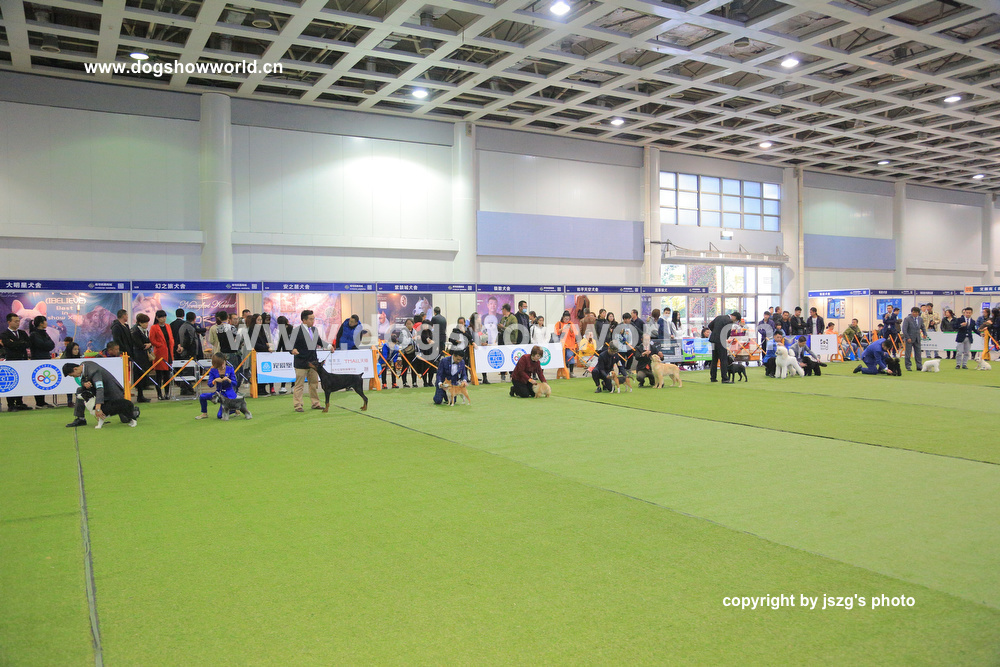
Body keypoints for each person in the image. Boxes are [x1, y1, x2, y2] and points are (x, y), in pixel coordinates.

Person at [63, 360, 138, 428]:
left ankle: (134, 410)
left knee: (125, 418)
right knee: (80, 390)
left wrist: (98, 408)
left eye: (72, 375)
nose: (74, 377)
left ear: (75, 369)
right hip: (98, 390)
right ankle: (80, 418)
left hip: (112, 392)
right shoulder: (83, 365)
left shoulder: (94, 371)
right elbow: (83, 380)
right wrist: (84, 383)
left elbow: (100, 389)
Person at [290, 309, 328, 412]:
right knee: (299, 385)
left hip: (313, 362)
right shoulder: (296, 331)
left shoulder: (314, 330)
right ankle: (298, 405)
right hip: (301, 362)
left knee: (314, 384)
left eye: (313, 319)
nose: (313, 321)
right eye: (311, 319)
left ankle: (315, 403)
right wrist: (292, 350)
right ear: (304, 320)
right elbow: (289, 344)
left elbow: (319, 341)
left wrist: (329, 346)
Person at [194, 353, 248, 420]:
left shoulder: (230, 369)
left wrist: (229, 380)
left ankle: (234, 409)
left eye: (223, 363)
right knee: (202, 396)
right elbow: (210, 384)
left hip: (228, 394)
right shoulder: (213, 370)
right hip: (218, 393)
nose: (222, 366)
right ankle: (204, 413)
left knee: (219, 416)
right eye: (220, 364)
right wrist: (215, 380)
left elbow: (235, 383)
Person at [2, 313, 32, 412]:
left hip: (22, 360)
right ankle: (11, 404)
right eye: (15, 321)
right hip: (12, 361)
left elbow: (28, 343)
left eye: (18, 321)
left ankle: (19, 402)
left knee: (22, 382)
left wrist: (16, 343)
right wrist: (20, 343)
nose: (18, 323)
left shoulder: (22, 333)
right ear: (9, 322)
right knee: (12, 382)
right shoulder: (4, 334)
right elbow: (9, 345)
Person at [28, 315, 57, 408]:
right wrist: (46, 345)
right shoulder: (34, 334)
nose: (46, 323)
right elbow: (41, 344)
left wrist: (46, 345)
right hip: (37, 359)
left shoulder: (44, 333)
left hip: (45, 358)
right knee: (38, 379)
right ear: (41, 323)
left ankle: (42, 401)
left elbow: (51, 345)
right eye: (45, 321)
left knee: (44, 380)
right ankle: (39, 402)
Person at [147, 310, 176, 401]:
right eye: (161, 317)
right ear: (157, 318)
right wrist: (160, 344)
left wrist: (172, 344)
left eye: (164, 317)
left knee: (167, 375)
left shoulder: (168, 326)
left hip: (169, 352)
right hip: (159, 353)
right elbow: (152, 340)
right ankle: (159, 394)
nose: (163, 319)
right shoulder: (154, 327)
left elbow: (171, 337)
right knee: (159, 375)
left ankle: (167, 393)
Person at [708, 311, 740, 383]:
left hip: (713, 340)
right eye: (736, 320)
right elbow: (728, 333)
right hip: (721, 341)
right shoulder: (729, 321)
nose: (735, 322)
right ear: (734, 317)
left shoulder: (719, 317)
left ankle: (713, 377)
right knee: (723, 359)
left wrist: (715, 332)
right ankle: (724, 378)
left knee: (714, 359)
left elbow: (710, 325)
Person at [130, 313, 154, 403]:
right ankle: (140, 395)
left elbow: (148, 341)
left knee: (144, 374)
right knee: (139, 374)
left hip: (144, 355)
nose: (147, 325)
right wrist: (146, 345)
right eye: (145, 323)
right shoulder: (135, 331)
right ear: (140, 322)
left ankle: (141, 394)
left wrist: (148, 344)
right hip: (138, 356)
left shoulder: (144, 331)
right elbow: (139, 344)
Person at [901, 306, 926, 372]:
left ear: (918, 313)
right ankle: (908, 366)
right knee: (908, 353)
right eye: (913, 312)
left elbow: (922, 327)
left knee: (918, 353)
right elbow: (904, 329)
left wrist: (925, 333)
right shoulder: (907, 319)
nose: (914, 313)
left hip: (917, 338)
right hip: (909, 338)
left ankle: (919, 366)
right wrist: (907, 337)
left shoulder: (920, 319)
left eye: (916, 312)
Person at [554, 310, 578, 378]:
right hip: (561, 345)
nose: (567, 320)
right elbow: (556, 332)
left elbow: (575, 334)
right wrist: (563, 328)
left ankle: (571, 372)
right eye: (565, 319)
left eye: (568, 319)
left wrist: (570, 329)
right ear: (562, 318)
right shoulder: (558, 323)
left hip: (570, 345)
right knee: (563, 359)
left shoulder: (571, 324)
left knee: (570, 358)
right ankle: (564, 372)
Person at [274, 315, 293, 394]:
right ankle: (283, 386)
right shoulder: (283, 330)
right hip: (286, 352)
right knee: (286, 369)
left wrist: (278, 351)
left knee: (291, 369)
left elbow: (282, 341)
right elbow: (281, 342)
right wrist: (277, 352)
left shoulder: (290, 328)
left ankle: (292, 386)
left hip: (291, 352)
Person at [60, 341, 83, 406]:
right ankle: (69, 401)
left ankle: (79, 400)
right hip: (70, 376)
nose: (77, 351)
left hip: (77, 376)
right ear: (70, 349)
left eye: (77, 349)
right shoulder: (65, 358)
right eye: (75, 349)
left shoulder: (79, 358)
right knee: (69, 385)